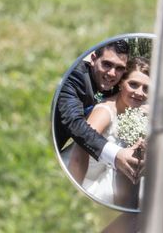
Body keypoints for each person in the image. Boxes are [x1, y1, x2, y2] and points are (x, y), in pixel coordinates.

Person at [67, 56, 151, 208]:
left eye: (146, 88)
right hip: (87, 182)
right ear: (120, 84)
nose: (140, 93)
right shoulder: (105, 112)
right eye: (134, 84)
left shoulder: (138, 111)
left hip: (112, 176)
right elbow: (78, 155)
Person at [55, 40, 142, 184]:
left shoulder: (113, 85)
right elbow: (74, 122)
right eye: (107, 64)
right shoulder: (74, 77)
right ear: (94, 59)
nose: (112, 73)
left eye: (119, 68)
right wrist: (115, 154)